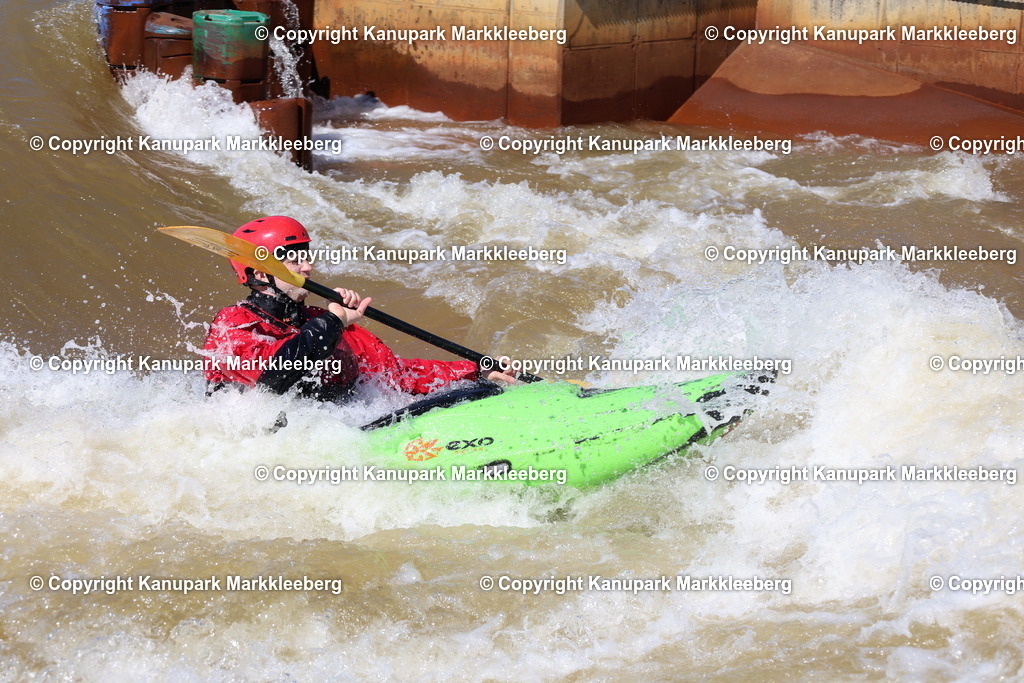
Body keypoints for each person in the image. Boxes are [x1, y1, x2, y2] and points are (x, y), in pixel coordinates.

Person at [203, 216, 516, 401]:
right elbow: (271, 381)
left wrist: (476, 370)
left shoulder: (321, 321)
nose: (308, 267)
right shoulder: (234, 324)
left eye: (307, 256)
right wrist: (332, 322)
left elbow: (398, 377)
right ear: (260, 273)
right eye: (294, 259)